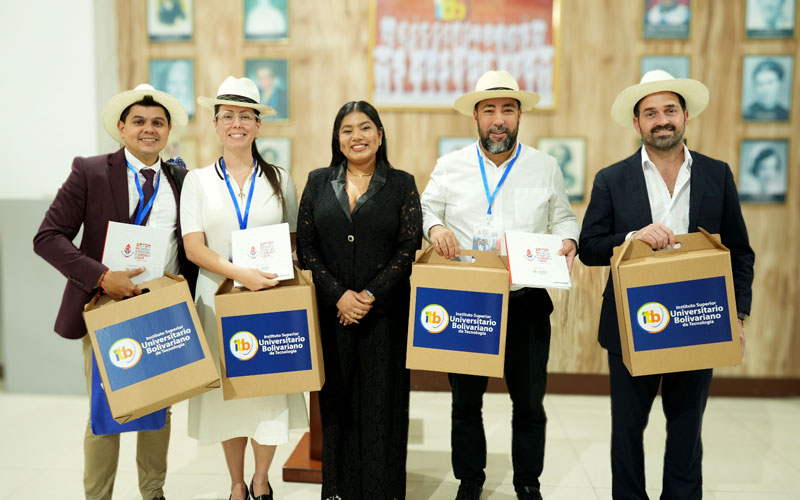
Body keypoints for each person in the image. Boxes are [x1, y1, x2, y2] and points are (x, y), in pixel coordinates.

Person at [579, 70, 755, 500]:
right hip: (629, 325)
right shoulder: (611, 178)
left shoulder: (717, 174)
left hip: (700, 319)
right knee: (627, 432)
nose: (662, 120)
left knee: (686, 430)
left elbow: (739, 251)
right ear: (637, 123)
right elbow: (589, 247)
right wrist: (631, 238)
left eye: (670, 110)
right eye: (651, 113)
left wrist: (736, 315)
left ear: (686, 116)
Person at [420, 70, 579, 500]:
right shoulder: (450, 166)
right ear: (475, 115)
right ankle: (470, 481)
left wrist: (569, 238)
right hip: (468, 301)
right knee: (466, 402)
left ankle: (528, 483)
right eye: (489, 109)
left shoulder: (544, 167)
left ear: (519, 115)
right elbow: (426, 209)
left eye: (507, 110)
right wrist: (435, 229)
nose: (498, 119)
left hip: (526, 300)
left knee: (528, 404)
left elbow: (563, 216)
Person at [33, 83, 195, 500]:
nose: (148, 130)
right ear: (121, 128)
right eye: (138, 122)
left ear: (168, 130)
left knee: (159, 408)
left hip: (162, 309)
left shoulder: (180, 177)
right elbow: (48, 237)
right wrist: (103, 277)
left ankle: (153, 492)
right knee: (107, 411)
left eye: (158, 123)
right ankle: (98, 496)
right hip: (105, 308)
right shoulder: (89, 171)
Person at [181, 76, 307, 500]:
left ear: (258, 125)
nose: (237, 124)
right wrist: (239, 272)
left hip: (268, 302)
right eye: (228, 116)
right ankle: (237, 483)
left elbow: (291, 241)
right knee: (228, 398)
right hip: (216, 300)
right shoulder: (197, 182)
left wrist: (273, 272)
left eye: (246, 116)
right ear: (216, 124)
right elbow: (193, 246)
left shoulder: (280, 179)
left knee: (268, 394)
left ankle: (261, 478)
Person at [296, 100, 422, 500]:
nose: (357, 137)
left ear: (380, 135)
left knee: (383, 405)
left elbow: (408, 246)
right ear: (337, 138)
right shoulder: (318, 182)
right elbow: (307, 247)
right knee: (337, 404)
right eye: (347, 129)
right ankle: (337, 490)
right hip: (333, 314)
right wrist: (339, 296)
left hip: (385, 315)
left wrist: (367, 295)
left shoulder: (401, 183)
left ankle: (383, 492)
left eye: (365, 128)